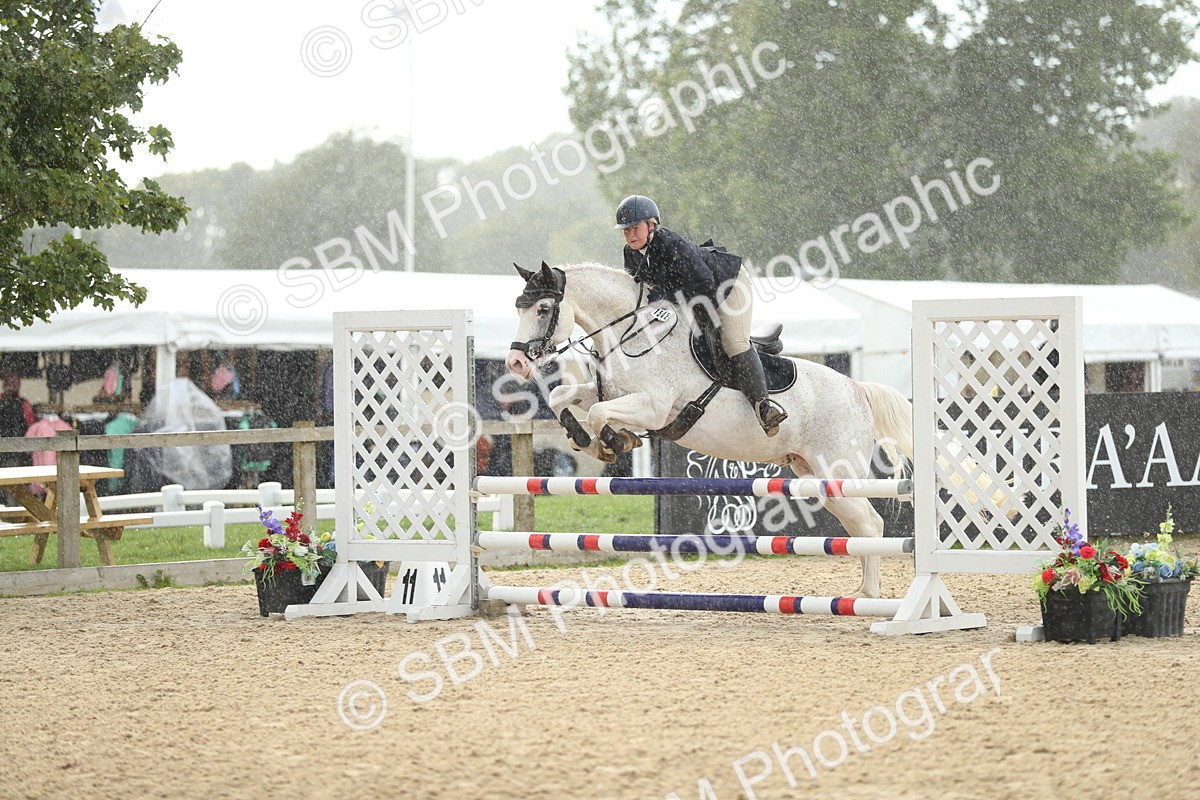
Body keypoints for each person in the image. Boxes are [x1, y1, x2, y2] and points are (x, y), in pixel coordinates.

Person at [614, 195, 788, 436]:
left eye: (635, 228)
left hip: (727, 285)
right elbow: (642, 292)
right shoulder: (631, 253)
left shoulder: (672, 244)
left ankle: (764, 407)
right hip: (693, 297)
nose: (630, 235)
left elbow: (704, 284)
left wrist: (665, 298)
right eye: (626, 231)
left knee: (733, 342)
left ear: (651, 225)